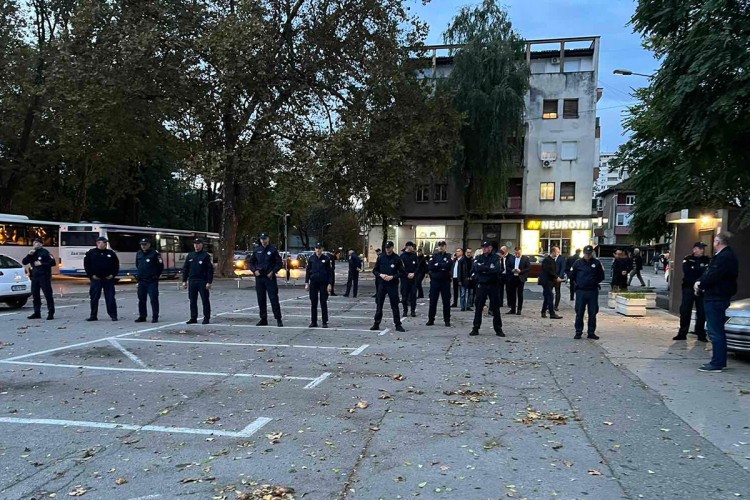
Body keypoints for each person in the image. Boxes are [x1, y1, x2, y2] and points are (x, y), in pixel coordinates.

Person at [695, 232, 738, 372]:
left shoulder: (724, 257)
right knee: (716, 330)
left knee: (715, 331)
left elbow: (713, 275)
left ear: (718, 242)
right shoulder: (723, 256)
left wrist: (700, 285)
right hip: (716, 296)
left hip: (716, 297)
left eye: (714, 241)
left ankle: (717, 363)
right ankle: (719, 361)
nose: (713, 244)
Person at [674, 242, 710, 341]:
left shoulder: (707, 259)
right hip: (688, 288)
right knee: (685, 310)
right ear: (694, 249)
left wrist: (697, 270)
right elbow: (688, 271)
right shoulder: (688, 259)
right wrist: (699, 270)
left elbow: (706, 273)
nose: (702, 250)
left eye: (703, 248)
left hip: (701, 289)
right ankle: (682, 333)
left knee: (701, 311)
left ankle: (700, 333)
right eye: (700, 248)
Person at [569, 245, 605, 339]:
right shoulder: (578, 263)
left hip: (592, 291)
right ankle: (578, 332)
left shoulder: (596, 263)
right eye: (586, 254)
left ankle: (591, 332)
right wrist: (577, 283)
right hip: (581, 291)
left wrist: (594, 282)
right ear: (583, 253)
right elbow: (572, 275)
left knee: (592, 313)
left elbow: (601, 276)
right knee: (579, 312)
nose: (588, 255)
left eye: (589, 254)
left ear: (592, 253)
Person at [248, 233, 284, 327]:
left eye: (265, 239)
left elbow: (279, 263)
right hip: (260, 277)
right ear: (260, 240)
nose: (263, 241)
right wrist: (254, 270)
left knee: (273, 298)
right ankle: (263, 319)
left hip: (269, 277)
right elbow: (251, 262)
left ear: (268, 239)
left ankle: (278, 319)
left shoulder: (273, 250)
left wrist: (273, 271)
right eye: (262, 239)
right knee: (261, 299)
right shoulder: (257, 250)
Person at [469, 241, 504, 337]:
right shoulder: (479, 257)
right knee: (479, 307)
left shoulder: (495, 258)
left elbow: (496, 269)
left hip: (493, 284)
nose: (484, 249)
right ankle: (475, 328)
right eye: (483, 247)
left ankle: (498, 329)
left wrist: (483, 269)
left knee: (495, 308)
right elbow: (476, 268)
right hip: (482, 284)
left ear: (491, 248)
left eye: (486, 247)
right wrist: (488, 268)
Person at [370, 241, 405, 332]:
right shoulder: (381, 257)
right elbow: (375, 270)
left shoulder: (397, 258)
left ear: (392, 248)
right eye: (386, 248)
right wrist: (380, 275)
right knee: (379, 304)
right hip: (382, 283)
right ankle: (376, 323)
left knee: (394, 304)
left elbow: (402, 272)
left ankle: (397, 324)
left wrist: (393, 277)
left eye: (389, 247)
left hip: (392, 283)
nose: (387, 249)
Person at [83, 236, 119, 321]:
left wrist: (113, 275)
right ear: (98, 243)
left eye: (106, 243)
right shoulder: (91, 253)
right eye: (104, 242)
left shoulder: (110, 253)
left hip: (108, 279)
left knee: (110, 297)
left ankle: (113, 315)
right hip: (96, 279)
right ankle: (93, 315)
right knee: (94, 298)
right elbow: (86, 265)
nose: (106, 244)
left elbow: (116, 265)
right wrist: (91, 275)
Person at [22, 237, 55, 320]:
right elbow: (24, 262)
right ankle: (37, 312)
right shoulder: (32, 253)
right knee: (35, 295)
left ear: (41, 244)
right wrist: (29, 255)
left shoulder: (45, 252)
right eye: (34, 243)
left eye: (37, 243)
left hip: (44, 276)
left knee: (48, 294)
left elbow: (52, 262)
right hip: (35, 277)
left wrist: (42, 263)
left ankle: (50, 312)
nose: (35, 244)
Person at [182, 238, 213, 324]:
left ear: (201, 245)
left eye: (198, 244)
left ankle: (206, 317)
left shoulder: (205, 256)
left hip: (202, 281)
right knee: (192, 300)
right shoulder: (190, 255)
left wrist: (209, 282)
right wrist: (184, 280)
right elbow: (185, 268)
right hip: (192, 280)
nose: (196, 245)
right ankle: (193, 317)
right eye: (195, 244)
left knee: (205, 300)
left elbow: (209, 270)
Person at [134, 238, 163, 323]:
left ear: (149, 244)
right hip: (141, 280)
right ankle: (142, 316)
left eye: (145, 244)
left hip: (151, 281)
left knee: (153, 299)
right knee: (141, 299)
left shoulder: (155, 254)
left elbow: (160, 266)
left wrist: (155, 276)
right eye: (142, 244)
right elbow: (137, 265)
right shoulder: (139, 253)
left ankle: (155, 316)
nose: (143, 246)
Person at [305, 243, 333, 328]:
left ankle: (324, 321)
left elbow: (330, 272)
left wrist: (329, 283)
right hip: (313, 282)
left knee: (323, 302)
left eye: (319, 248)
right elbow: (308, 271)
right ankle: (313, 321)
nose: (318, 250)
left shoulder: (326, 259)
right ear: (315, 249)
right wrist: (306, 282)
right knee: (313, 302)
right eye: (316, 248)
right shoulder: (311, 258)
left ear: (322, 249)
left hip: (323, 283)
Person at [426, 240, 452, 327]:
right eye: (440, 246)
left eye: (443, 246)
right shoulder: (434, 256)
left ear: (445, 247)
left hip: (445, 281)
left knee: (446, 302)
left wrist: (437, 265)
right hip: (435, 281)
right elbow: (430, 266)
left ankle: (447, 320)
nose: (441, 247)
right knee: (433, 301)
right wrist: (441, 266)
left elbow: (448, 266)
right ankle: (431, 319)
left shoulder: (448, 256)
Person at [540, 246, 563, 319]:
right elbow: (549, 271)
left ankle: (543, 311)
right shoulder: (547, 260)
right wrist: (556, 277)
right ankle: (552, 313)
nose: (558, 253)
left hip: (550, 281)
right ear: (553, 252)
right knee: (550, 296)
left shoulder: (552, 260)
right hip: (546, 281)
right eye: (557, 252)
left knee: (547, 297)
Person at [505, 247, 529, 315]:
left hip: (521, 278)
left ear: (521, 252)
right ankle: (513, 309)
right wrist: (511, 270)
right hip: (513, 277)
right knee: (512, 294)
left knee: (520, 294)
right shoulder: (511, 258)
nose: (517, 254)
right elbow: (508, 266)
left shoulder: (525, 258)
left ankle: (519, 309)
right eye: (516, 253)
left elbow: (528, 268)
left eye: (518, 253)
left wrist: (521, 271)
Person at [399, 241, 419, 317]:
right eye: (411, 246)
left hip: (413, 279)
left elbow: (417, 266)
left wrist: (414, 273)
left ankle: (413, 311)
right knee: (404, 296)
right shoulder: (402, 256)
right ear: (408, 247)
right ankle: (405, 311)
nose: (413, 248)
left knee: (413, 295)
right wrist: (407, 274)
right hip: (405, 279)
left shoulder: (414, 255)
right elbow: (401, 268)